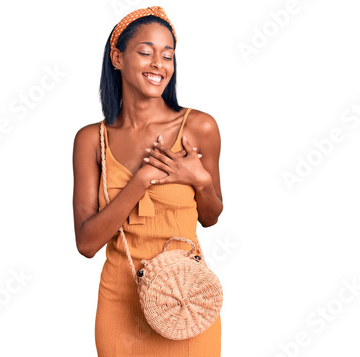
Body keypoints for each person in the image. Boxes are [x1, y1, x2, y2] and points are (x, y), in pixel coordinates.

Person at [72, 6, 223, 356]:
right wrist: (140, 182)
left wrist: (200, 180)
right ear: (117, 57)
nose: (159, 63)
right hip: (121, 301)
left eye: (167, 55)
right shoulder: (91, 140)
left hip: (185, 299)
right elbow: (87, 243)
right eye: (146, 52)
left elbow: (211, 216)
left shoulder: (199, 127)